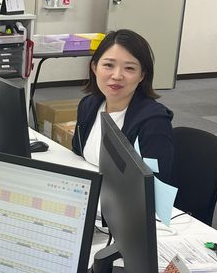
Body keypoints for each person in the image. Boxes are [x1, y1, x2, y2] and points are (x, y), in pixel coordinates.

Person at [71, 29, 174, 183]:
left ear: (142, 75)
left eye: (129, 68)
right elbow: (77, 155)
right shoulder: (88, 105)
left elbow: (155, 185)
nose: (117, 76)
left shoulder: (154, 123)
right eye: (108, 65)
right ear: (94, 67)